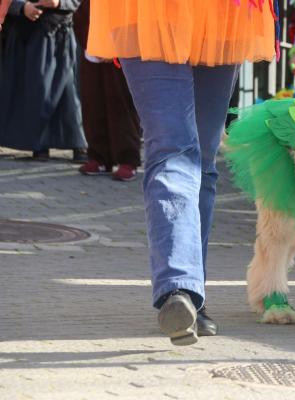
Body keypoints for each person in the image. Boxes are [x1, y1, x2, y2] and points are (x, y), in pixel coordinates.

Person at [87, 0, 277, 345]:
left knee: (201, 159)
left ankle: (191, 295)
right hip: (145, 11)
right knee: (173, 148)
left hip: (221, 14)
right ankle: (179, 286)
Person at [0, 0, 87, 162]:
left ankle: (78, 144)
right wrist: (22, 7)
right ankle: (39, 145)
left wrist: (60, 2)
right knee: (38, 91)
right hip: (28, 36)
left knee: (69, 94)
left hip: (61, 33)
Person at [73, 0, 141, 181]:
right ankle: (99, 156)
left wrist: (115, 46)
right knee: (92, 102)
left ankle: (128, 159)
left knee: (121, 104)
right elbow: (81, 13)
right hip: (92, 45)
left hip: (122, 47)